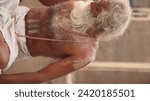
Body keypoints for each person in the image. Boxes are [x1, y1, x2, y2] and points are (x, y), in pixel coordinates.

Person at [0, 0, 131, 84]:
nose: (92, 3)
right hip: (13, 13)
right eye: (98, 1)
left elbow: (41, 76)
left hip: (13, 45)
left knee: (2, 58)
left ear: (102, 24)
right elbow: (45, 0)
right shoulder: (80, 2)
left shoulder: (85, 54)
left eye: (97, 8)